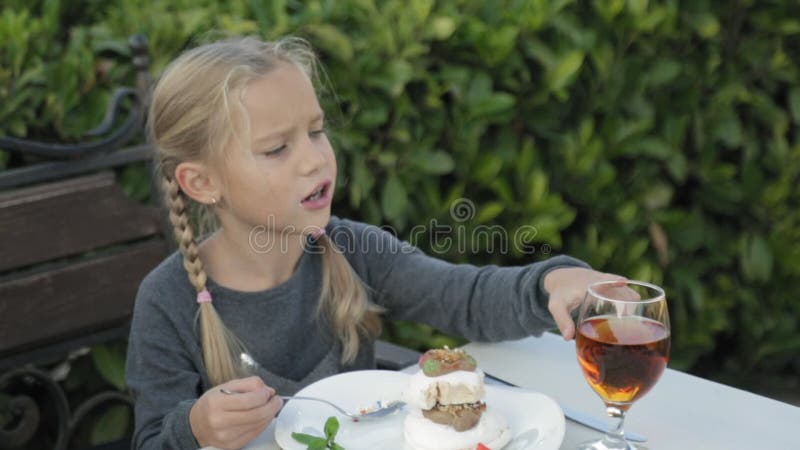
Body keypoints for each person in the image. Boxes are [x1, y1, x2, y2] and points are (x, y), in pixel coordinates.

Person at [124, 36, 625, 450]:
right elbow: (150, 442)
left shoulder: (353, 250)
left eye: (317, 132)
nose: (315, 159)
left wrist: (555, 281)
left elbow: (467, 299)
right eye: (277, 148)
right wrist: (195, 428)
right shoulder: (168, 301)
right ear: (202, 183)